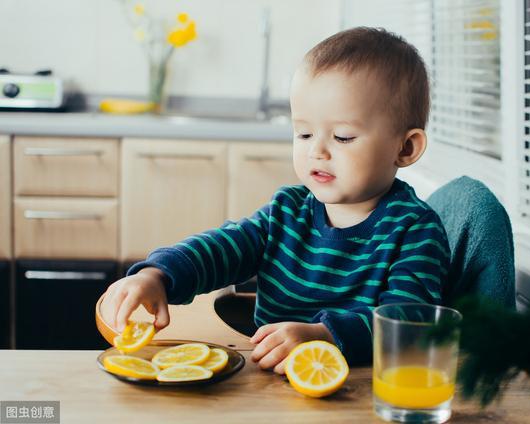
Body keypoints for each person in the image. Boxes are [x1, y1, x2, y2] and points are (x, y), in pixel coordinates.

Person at [101, 26, 450, 373]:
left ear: (405, 148)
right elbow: (222, 247)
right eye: (304, 133)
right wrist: (157, 274)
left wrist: (325, 336)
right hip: (269, 384)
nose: (317, 151)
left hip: (357, 389)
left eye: (343, 137)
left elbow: (409, 322)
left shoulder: (415, 229)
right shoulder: (286, 213)